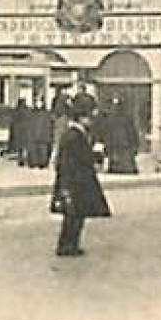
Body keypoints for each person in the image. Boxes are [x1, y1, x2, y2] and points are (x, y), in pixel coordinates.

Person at [52, 96, 111, 256]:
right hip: (75, 183)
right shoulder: (74, 136)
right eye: (89, 117)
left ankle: (71, 244)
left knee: (77, 215)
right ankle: (67, 246)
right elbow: (81, 158)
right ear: (82, 117)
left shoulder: (76, 134)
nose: (91, 121)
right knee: (73, 216)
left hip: (76, 182)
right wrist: (96, 154)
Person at [28, 102, 55, 170]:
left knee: (41, 149)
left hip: (40, 135)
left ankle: (40, 163)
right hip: (40, 135)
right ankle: (38, 162)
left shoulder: (33, 114)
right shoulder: (46, 114)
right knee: (38, 149)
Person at [9, 98, 32, 165]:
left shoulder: (16, 111)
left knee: (20, 147)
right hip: (25, 131)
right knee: (25, 146)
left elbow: (12, 121)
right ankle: (24, 159)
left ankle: (21, 159)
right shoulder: (27, 110)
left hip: (19, 131)